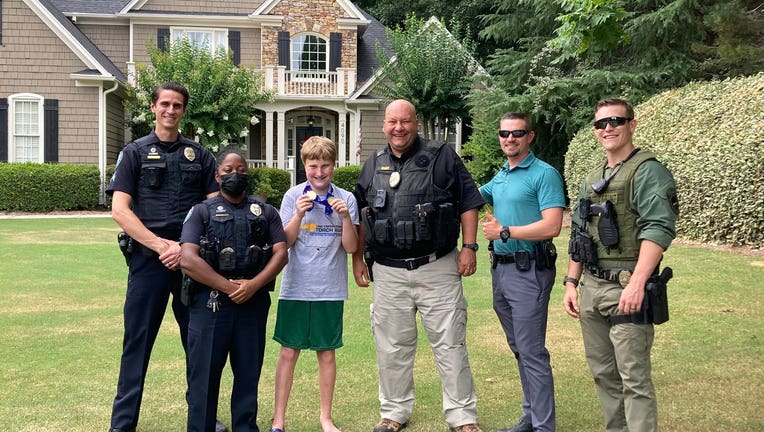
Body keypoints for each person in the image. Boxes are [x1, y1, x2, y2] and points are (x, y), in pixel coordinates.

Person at [352, 99, 485, 432]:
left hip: (437, 267)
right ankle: (394, 412)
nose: (399, 128)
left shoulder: (443, 157)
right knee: (391, 347)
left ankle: (462, 417)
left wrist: (469, 247)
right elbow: (360, 215)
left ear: (416, 124)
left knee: (450, 344)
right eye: (393, 122)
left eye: (406, 121)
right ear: (384, 126)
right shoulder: (373, 163)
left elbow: (469, 203)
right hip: (388, 272)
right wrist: (358, 258)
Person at [106, 82, 223, 432]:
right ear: (154, 107)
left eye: (178, 106)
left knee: (199, 345)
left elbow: (213, 208)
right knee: (137, 344)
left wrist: (184, 249)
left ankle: (202, 419)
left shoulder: (201, 156)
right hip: (148, 262)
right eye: (165, 104)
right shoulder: (134, 153)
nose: (171, 110)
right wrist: (162, 246)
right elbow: (120, 210)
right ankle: (123, 424)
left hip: (193, 263)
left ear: (184, 111)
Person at [562, 98, 679, 432]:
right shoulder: (592, 177)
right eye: (601, 124)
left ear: (632, 125)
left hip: (627, 286)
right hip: (592, 288)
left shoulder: (647, 171)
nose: (608, 128)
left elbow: (658, 229)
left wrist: (638, 283)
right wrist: (571, 282)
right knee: (603, 374)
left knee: (634, 379)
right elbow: (580, 233)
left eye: (615, 121)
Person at [180, 149, 288, 432]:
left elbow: (281, 253)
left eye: (241, 170)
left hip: (252, 303)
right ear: (217, 176)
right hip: (211, 304)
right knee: (204, 376)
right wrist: (228, 287)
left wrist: (253, 285)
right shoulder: (201, 211)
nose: (234, 175)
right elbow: (188, 259)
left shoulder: (265, 211)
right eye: (228, 170)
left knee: (248, 375)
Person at [480, 113, 565, 432]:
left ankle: (543, 427)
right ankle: (530, 417)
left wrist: (505, 232)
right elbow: (472, 195)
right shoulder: (501, 175)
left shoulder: (544, 174)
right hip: (500, 273)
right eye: (504, 133)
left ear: (530, 137)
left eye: (517, 133)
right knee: (519, 349)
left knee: (531, 351)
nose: (509, 138)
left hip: (530, 271)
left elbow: (553, 225)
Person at [268, 136, 359, 432]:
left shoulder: (347, 199)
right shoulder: (293, 196)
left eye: (325, 166)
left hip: (329, 288)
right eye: (313, 166)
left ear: (334, 165)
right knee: (287, 352)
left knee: (327, 353)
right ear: (304, 166)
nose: (319, 173)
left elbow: (350, 248)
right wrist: (298, 214)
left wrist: (345, 217)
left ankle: (326, 418)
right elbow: (285, 242)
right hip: (295, 286)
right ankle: (279, 420)